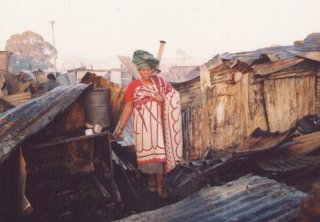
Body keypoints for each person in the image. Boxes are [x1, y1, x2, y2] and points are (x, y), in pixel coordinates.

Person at [114, 50, 183, 198]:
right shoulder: (133, 86)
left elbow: (174, 96)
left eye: (148, 69)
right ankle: (151, 181)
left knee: (159, 156)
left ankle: (159, 187)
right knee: (146, 158)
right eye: (142, 69)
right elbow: (128, 107)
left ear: (152, 69)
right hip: (142, 128)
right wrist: (120, 128)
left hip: (158, 127)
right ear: (138, 70)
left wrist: (162, 98)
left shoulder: (160, 82)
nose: (146, 72)